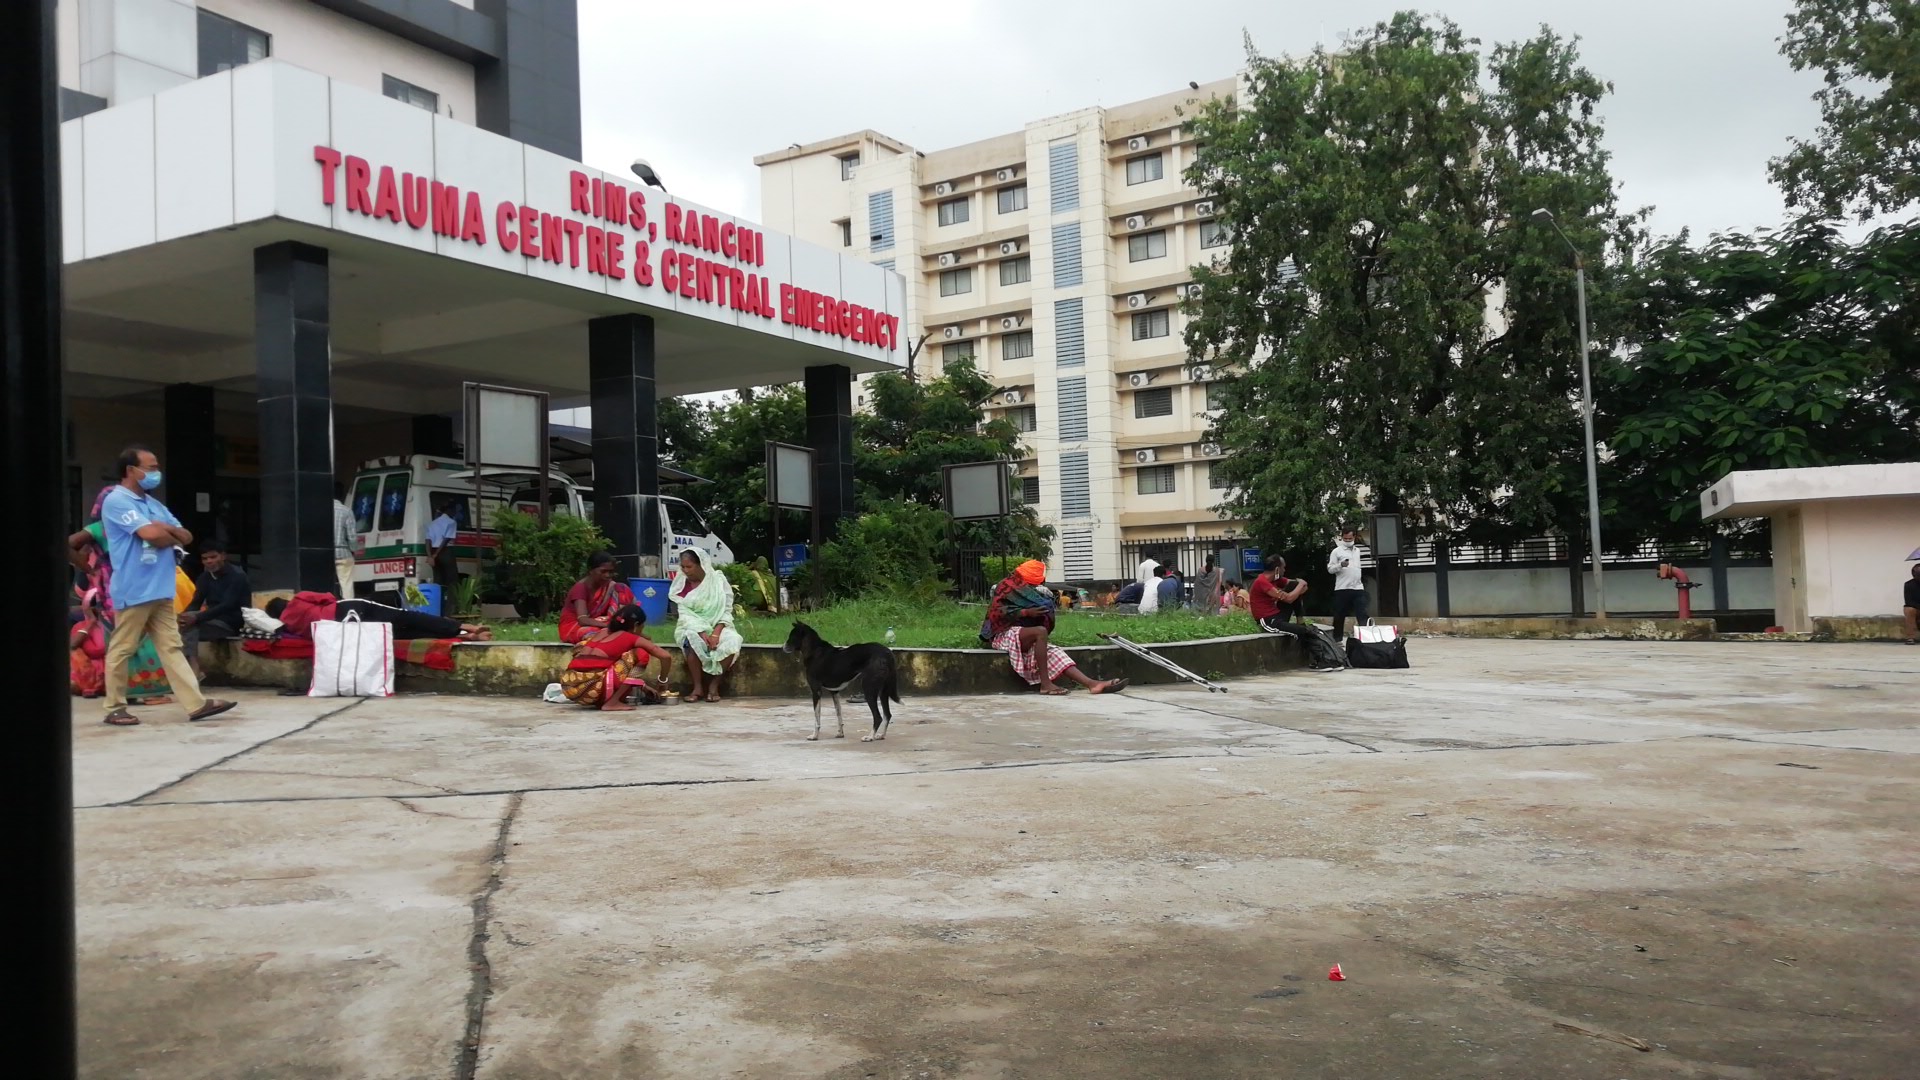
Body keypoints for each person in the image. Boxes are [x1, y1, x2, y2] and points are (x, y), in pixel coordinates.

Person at [96, 446, 236, 726]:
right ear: (130, 471)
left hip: (161, 588)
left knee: (171, 647)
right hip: (135, 589)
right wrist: (163, 531)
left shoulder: (153, 504)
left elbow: (186, 536)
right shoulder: (117, 501)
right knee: (123, 647)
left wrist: (165, 530)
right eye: (150, 467)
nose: (155, 473)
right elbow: (152, 536)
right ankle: (114, 707)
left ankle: (196, 704)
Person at [986, 560, 1127, 696]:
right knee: (1040, 632)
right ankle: (1046, 685)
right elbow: (996, 613)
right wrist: (1025, 612)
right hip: (1003, 635)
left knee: (1055, 652)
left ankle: (1092, 684)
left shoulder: (1031, 592)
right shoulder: (1006, 586)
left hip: (1024, 635)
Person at [560, 604, 673, 710]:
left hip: (570, 688)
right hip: (590, 691)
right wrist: (662, 680)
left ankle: (609, 699)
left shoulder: (603, 632)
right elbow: (665, 657)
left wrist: (643, 686)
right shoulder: (630, 637)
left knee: (584, 646)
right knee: (640, 654)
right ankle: (612, 702)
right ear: (636, 626)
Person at [267, 593, 492, 640]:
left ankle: (463, 635)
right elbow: (327, 597)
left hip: (344, 629)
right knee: (406, 617)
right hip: (349, 609)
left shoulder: (290, 627)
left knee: (400, 634)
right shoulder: (297, 600)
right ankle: (465, 626)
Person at [674, 547, 743, 702]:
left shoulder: (718, 581)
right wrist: (701, 632)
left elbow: (726, 609)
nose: (685, 570)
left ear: (701, 565)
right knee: (692, 640)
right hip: (691, 626)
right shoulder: (681, 584)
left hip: (719, 625)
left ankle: (714, 685)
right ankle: (697, 687)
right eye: (683, 567)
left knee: (733, 640)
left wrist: (716, 634)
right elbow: (684, 613)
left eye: (689, 566)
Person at [1251, 555, 1341, 671]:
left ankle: (1300, 620)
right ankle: (1321, 660)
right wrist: (1300, 585)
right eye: (1283, 568)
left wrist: (1299, 586)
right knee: (1303, 631)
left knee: (1293, 587)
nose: (1285, 570)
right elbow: (1289, 598)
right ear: (1277, 569)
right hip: (1268, 621)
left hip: (1278, 615)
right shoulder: (1261, 582)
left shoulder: (1277, 580)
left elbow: (1301, 589)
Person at [560, 551, 635, 644]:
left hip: (599, 623)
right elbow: (582, 620)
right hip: (575, 627)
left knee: (621, 588)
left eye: (610, 572)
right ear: (591, 570)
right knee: (596, 634)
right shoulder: (580, 588)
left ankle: (621, 628)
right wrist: (609, 626)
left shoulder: (609, 586)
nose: (607, 575)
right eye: (603, 571)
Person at [182, 541, 250, 642]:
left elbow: (227, 605)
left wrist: (197, 618)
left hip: (231, 623)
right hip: (210, 619)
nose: (209, 561)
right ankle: (189, 657)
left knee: (190, 628)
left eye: (213, 557)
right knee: (177, 625)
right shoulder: (204, 577)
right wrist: (184, 617)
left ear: (223, 556)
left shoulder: (237, 576)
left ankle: (191, 658)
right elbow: (196, 602)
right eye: (205, 558)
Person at [1327, 526, 1370, 638]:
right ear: (1342, 538)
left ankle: (1365, 637)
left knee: (1362, 613)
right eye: (1345, 539)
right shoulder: (1336, 551)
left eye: (1350, 539)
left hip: (1358, 587)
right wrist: (1340, 565)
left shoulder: (1357, 551)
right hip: (1342, 588)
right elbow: (1330, 569)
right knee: (1339, 615)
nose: (1347, 541)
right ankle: (1337, 639)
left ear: (1354, 537)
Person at [427, 497, 460, 588]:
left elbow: (427, 540)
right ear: (449, 510)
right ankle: (451, 601)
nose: (455, 512)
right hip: (446, 551)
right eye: (454, 510)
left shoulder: (432, 523)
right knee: (452, 579)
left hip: (433, 551)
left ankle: (439, 600)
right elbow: (446, 540)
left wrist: (430, 556)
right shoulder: (451, 522)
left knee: (438, 579)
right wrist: (436, 554)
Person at [333, 482, 358, 598]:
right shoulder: (346, 511)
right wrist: (354, 550)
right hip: (343, 554)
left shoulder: (321, 511)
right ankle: (348, 607)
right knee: (346, 584)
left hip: (326, 555)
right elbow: (352, 537)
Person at [1904, 563, 1919, 645]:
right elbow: (1908, 601)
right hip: (1915, 608)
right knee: (1909, 610)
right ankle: (1910, 637)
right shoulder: (1908, 585)